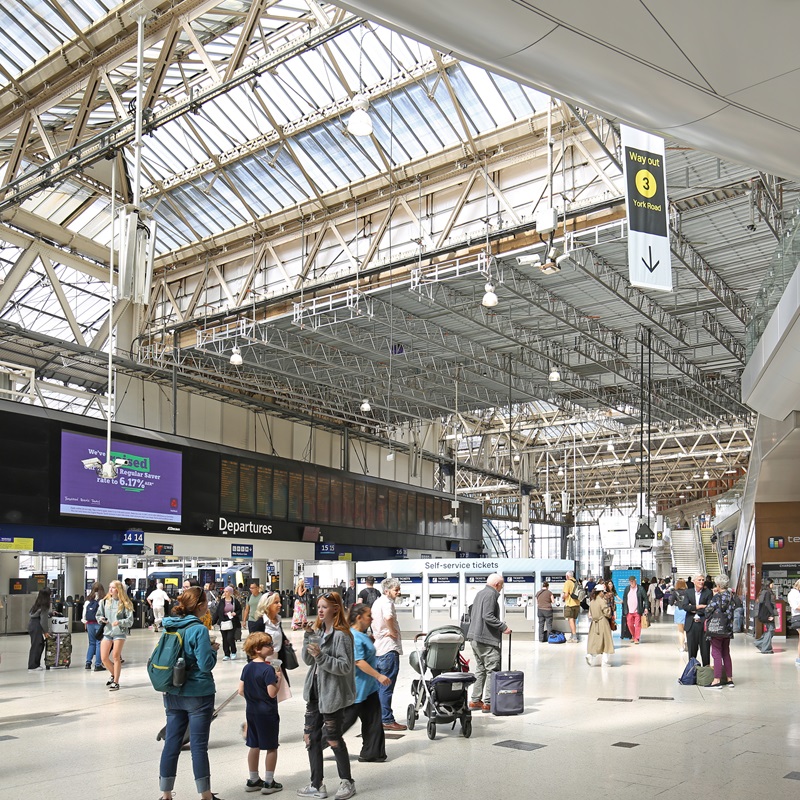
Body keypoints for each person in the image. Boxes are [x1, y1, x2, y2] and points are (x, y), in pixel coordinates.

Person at [158, 586, 221, 800]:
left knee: (172, 743)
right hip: (198, 693)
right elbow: (205, 665)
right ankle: (205, 795)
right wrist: (212, 650)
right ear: (201, 605)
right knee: (198, 746)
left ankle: (166, 793)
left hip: (172, 691)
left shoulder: (169, 626)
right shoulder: (198, 629)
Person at [299, 591, 356, 800]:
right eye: (319, 607)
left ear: (336, 608)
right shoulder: (319, 632)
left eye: (324, 607)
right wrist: (307, 638)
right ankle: (317, 784)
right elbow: (308, 661)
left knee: (333, 739)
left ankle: (347, 781)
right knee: (311, 739)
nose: (320, 611)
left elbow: (345, 666)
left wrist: (321, 657)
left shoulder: (342, 635)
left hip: (332, 695)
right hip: (315, 693)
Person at [342, 603, 390, 762]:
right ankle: (317, 742)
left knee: (374, 721)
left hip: (368, 689)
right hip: (358, 687)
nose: (372, 618)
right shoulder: (354, 636)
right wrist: (379, 676)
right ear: (358, 617)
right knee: (346, 721)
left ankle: (372, 753)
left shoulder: (361, 634)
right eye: (368, 615)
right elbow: (358, 661)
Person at [239, 632, 283, 794]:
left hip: (251, 712)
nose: (272, 647)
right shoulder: (268, 669)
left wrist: (254, 698)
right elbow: (272, 693)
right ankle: (269, 782)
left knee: (254, 745)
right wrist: (278, 679)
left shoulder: (247, 667)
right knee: (271, 747)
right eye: (268, 645)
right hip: (267, 713)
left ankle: (253, 779)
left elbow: (241, 690)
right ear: (258, 649)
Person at [466, 573, 511, 713]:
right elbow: (488, 616)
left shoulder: (480, 593)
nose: (501, 588)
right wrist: (503, 627)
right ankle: (488, 702)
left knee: (481, 669)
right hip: (485, 639)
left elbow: (472, 611)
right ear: (497, 584)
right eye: (502, 585)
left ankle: (475, 700)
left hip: (474, 637)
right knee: (492, 669)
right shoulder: (491, 595)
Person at [371, 577, 407, 731]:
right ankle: (387, 719)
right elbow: (388, 617)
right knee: (387, 687)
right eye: (395, 590)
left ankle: (379, 717)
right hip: (388, 650)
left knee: (379, 687)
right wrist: (392, 631)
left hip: (378, 649)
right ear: (387, 591)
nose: (398, 592)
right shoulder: (387, 603)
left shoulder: (376, 602)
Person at [97, 580, 133, 690]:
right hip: (107, 632)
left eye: (113, 587)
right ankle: (113, 674)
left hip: (119, 633)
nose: (110, 589)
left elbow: (130, 621)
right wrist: (101, 619)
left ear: (118, 589)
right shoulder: (105, 602)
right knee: (103, 658)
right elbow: (98, 615)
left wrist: (120, 622)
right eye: (110, 587)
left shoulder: (125, 603)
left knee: (116, 656)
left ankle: (116, 682)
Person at [252, 591, 291, 688]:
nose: (280, 605)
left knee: (277, 691)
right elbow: (252, 646)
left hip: (277, 661)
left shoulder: (278, 620)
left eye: (279, 602)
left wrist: (285, 640)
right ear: (267, 605)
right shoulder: (260, 623)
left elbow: (279, 634)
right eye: (276, 602)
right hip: (264, 662)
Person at [705, 574, 735, 688]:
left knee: (716, 653)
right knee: (726, 653)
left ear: (718, 585)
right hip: (727, 628)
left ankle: (717, 680)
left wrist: (714, 596)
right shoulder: (731, 596)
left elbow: (708, 610)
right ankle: (729, 679)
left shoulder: (717, 597)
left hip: (717, 628)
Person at [685, 574, 713, 666]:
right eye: (699, 580)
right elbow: (684, 606)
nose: (701, 582)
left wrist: (693, 608)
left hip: (703, 624)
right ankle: (692, 672)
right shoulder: (688, 592)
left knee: (705, 651)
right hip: (691, 624)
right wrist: (699, 606)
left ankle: (706, 673)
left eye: (702, 580)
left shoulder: (708, 592)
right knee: (692, 651)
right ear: (694, 581)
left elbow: (709, 608)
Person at [585, 583, 614, 666]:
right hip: (603, 623)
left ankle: (590, 655)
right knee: (606, 642)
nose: (604, 593)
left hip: (594, 623)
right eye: (603, 592)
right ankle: (604, 662)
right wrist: (610, 612)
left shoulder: (592, 601)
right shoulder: (602, 601)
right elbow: (607, 613)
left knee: (595, 641)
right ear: (600, 592)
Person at [213, 585, 242, 660]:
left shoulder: (235, 601)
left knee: (230, 637)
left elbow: (239, 609)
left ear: (230, 593)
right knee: (224, 638)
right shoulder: (222, 601)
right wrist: (213, 621)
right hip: (223, 621)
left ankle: (233, 651)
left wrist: (235, 613)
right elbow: (218, 612)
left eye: (227, 591)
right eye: (224, 591)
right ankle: (226, 654)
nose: (225, 593)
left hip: (232, 621)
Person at [82, 581, 105, 670]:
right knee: (99, 643)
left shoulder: (88, 600)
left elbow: (84, 613)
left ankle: (88, 663)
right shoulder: (103, 600)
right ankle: (98, 664)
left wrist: (85, 622)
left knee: (91, 643)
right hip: (99, 623)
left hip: (89, 624)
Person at [27, 589, 52, 672]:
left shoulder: (37, 604)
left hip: (32, 624)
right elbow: (43, 621)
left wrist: (50, 613)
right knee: (37, 645)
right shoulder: (45, 606)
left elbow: (38, 614)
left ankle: (34, 664)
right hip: (37, 625)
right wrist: (46, 631)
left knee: (37, 644)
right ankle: (33, 665)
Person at [621, 575, 649, 644]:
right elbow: (624, 599)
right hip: (629, 611)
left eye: (632, 581)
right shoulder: (627, 589)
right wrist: (625, 608)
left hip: (637, 610)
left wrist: (646, 607)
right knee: (629, 624)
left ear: (635, 581)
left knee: (637, 625)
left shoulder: (640, 589)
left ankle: (636, 638)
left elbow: (646, 599)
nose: (631, 582)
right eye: (630, 581)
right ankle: (633, 635)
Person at [754, 578, 776, 654]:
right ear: (769, 584)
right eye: (772, 583)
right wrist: (772, 614)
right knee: (771, 630)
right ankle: (765, 647)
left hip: (764, 614)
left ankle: (761, 643)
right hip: (768, 614)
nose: (773, 585)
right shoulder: (767, 592)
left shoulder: (763, 592)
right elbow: (768, 604)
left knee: (770, 630)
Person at [561, 571, 581, 643]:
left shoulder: (568, 582)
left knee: (570, 620)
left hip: (570, 604)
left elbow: (566, 594)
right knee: (574, 620)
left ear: (567, 576)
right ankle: (572, 635)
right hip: (577, 603)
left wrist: (562, 598)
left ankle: (574, 637)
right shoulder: (577, 582)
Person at [671, 578, 688, 652]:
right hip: (687, 611)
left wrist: (676, 602)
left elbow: (671, 602)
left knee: (680, 630)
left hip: (679, 610)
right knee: (687, 630)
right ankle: (687, 643)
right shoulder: (688, 592)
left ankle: (681, 647)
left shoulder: (675, 592)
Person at [788, 579, 800, 667]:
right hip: (798, 617)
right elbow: (795, 606)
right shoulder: (795, 594)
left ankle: (798, 659)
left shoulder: (793, 593)